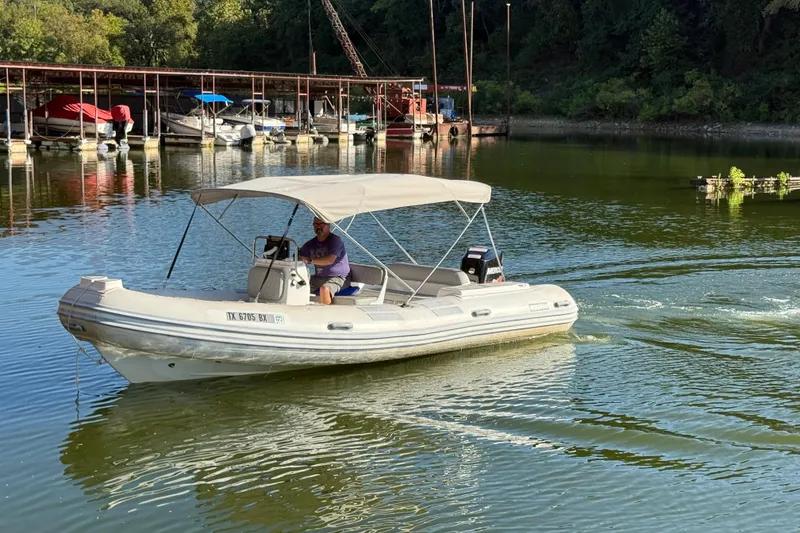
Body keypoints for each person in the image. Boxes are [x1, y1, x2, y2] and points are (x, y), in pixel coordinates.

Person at [299, 217, 350, 305]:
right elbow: (299, 258)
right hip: (319, 278)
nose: (318, 227)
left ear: (328, 225)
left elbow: (330, 260)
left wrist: (310, 260)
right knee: (297, 285)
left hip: (339, 278)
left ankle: (326, 315)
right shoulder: (310, 244)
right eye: (316, 224)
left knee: (324, 289)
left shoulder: (335, 240)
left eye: (321, 224)